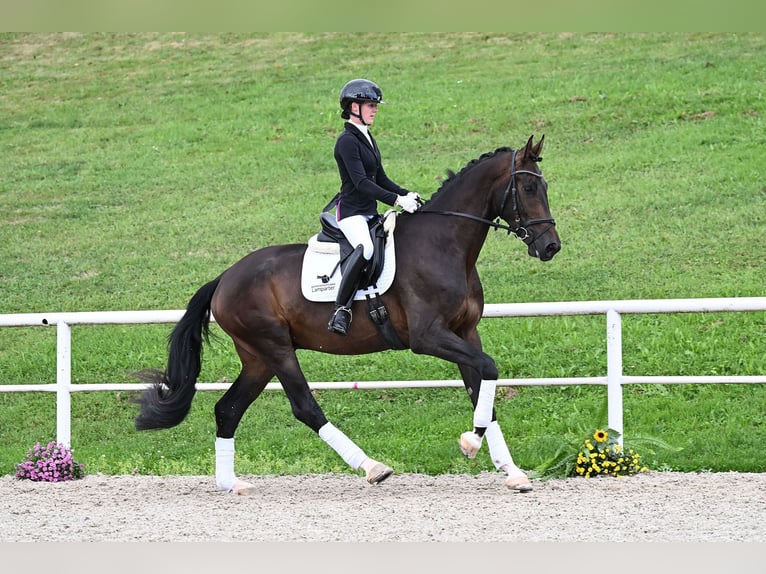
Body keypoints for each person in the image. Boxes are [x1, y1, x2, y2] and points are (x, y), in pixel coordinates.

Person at [327, 78, 421, 335]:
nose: (375, 109)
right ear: (353, 107)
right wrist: (396, 200)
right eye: (370, 105)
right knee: (366, 249)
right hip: (351, 213)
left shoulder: (367, 137)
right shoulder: (346, 141)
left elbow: (380, 179)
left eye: (375, 105)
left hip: (369, 212)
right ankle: (341, 310)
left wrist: (405, 193)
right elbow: (361, 183)